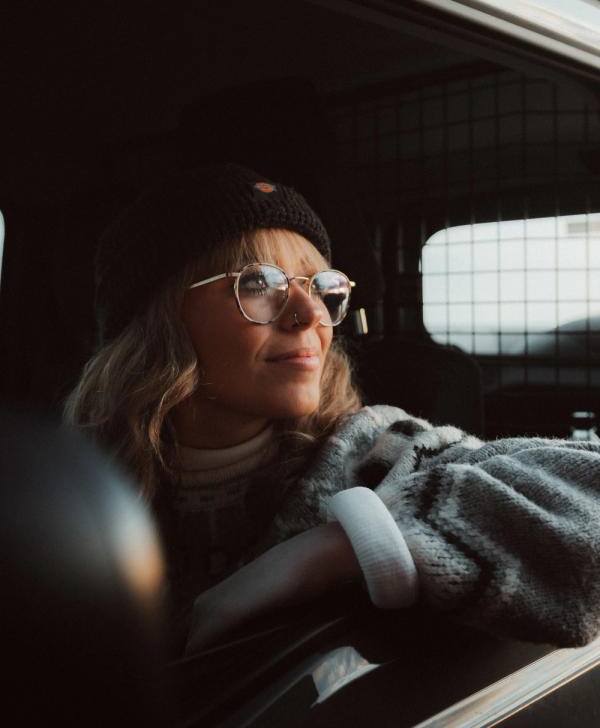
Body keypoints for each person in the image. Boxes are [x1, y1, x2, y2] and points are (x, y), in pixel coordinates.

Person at [65, 163, 600, 657]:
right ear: (159, 323)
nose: (310, 313)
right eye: (258, 284)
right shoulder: (67, 496)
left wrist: (343, 545)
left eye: (320, 287)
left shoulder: (376, 454)